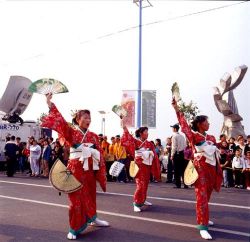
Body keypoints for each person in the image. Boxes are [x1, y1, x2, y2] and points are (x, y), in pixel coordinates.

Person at [41, 93, 109, 240]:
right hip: (76, 168)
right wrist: (49, 104)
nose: (88, 120)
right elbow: (60, 123)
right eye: (85, 118)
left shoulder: (94, 136)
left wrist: (99, 168)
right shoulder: (71, 132)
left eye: (90, 118)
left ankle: (93, 218)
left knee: (91, 195)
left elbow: (99, 153)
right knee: (75, 199)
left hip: (90, 168)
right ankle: (74, 227)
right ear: (78, 120)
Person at [172, 98, 222, 240]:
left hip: (212, 168)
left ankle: (204, 217)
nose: (209, 124)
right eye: (206, 122)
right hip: (201, 169)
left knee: (208, 195)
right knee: (201, 196)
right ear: (200, 124)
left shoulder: (211, 136)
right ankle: (202, 225)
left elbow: (215, 149)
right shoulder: (193, 136)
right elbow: (184, 125)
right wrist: (177, 109)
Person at [121, 120, 161, 213]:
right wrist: (124, 126)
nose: (147, 134)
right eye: (146, 132)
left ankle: (143, 199)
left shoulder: (149, 144)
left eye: (147, 132)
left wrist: (150, 153)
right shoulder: (135, 142)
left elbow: (154, 154)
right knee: (140, 184)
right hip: (139, 165)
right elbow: (127, 137)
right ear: (140, 133)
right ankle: (136, 202)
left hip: (147, 165)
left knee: (146, 183)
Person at [170, 123, 187, 188]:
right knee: (183, 169)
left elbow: (174, 146)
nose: (172, 129)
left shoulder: (174, 136)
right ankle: (185, 184)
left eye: (172, 128)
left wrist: (172, 155)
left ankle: (178, 184)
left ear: (175, 129)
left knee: (176, 170)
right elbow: (185, 145)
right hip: (183, 154)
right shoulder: (182, 136)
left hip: (177, 154)